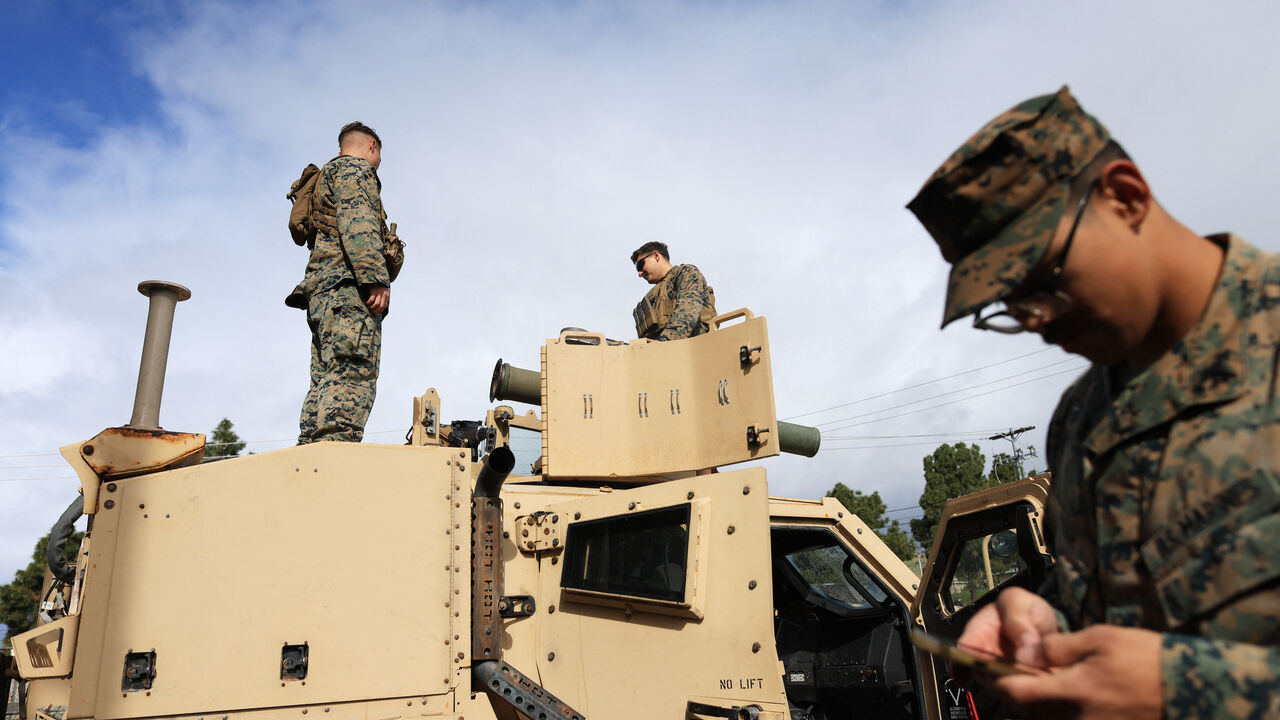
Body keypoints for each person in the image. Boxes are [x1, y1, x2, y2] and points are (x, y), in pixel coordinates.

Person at [908, 87, 1278, 720]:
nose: (1037, 322)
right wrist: (1039, 619)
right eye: (1009, 306)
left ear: (1125, 197)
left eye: (1042, 280)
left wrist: (1187, 692)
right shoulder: (1081, 420)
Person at [287, 121, 394, 443]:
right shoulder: (355, 170)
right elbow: (357, 223)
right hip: (347, 291)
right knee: (352, 369)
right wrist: (375, 279)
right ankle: (335, 450)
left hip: (321, 293)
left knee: (325, 376)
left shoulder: (325, 177)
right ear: (372, 146)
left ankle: (309, 450)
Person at [630, 241, 717, 340]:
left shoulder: (685, 273)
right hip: (664, 350)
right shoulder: (656, 294)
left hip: (691, 346)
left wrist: (664, 342)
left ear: (656, 255)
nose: (640, 273)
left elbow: (688, 312)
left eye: (640, 265)